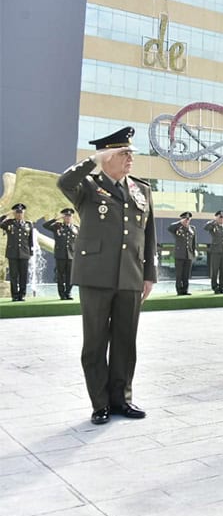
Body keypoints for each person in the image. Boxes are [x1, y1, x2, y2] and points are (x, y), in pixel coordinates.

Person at [56, 126, 156, 424]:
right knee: (96, 342)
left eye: (130, 154)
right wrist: (94, 160)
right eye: (123, 154)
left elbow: (148, 236)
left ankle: (122, 400)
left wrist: (148, 274)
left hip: (130, 275)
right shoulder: (86, 185)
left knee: (126, 341)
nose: (130, 159)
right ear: (107, 156)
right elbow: (64, 181)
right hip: (95, 276)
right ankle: (99, 403)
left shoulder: (142, 189)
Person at [42, 208, 79, 300]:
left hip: (71, 255)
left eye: (69, 216)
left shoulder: (76, 228)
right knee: (60, 275)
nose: (68, 218)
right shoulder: (57, 226)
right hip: (60, 255)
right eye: (66, 216)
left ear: (72, 217)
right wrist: (56, 219)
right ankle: (62, 294)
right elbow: (45, 225)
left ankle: (68, 292)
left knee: (70, 276)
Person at [1, 203, 35, 301]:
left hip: (24, 253)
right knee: (14, 275)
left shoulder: (28, 224)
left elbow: (30, 240)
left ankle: (22, 295)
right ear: (14, 213)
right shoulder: (9, 223)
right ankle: (15, 295)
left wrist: (31, 252)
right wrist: (7, 214)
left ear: (23, 213)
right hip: (13, 253)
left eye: (21, 212)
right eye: (17, 212)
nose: (19, 214)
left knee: (23, 276)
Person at [166, 211, 197, 295]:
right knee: (179, 274)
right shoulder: (177, 228)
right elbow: (169, 228)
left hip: (188, 254)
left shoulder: (192, 228)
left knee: (186, 274)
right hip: (179, 254)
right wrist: (180, 222)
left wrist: (194, 251)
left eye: (188, 219)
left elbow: (193, 242)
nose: (187, 221)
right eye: (185, 219)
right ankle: (179, 290)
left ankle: (185, 290)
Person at [204, 210, 223, 294]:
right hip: (216, 251)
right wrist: (214, 221)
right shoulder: (213, 226)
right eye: (220, 217)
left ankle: (221, 287)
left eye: (222, 217)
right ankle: (215, 287)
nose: (221, 219)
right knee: (215, 271)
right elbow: (206, 227)